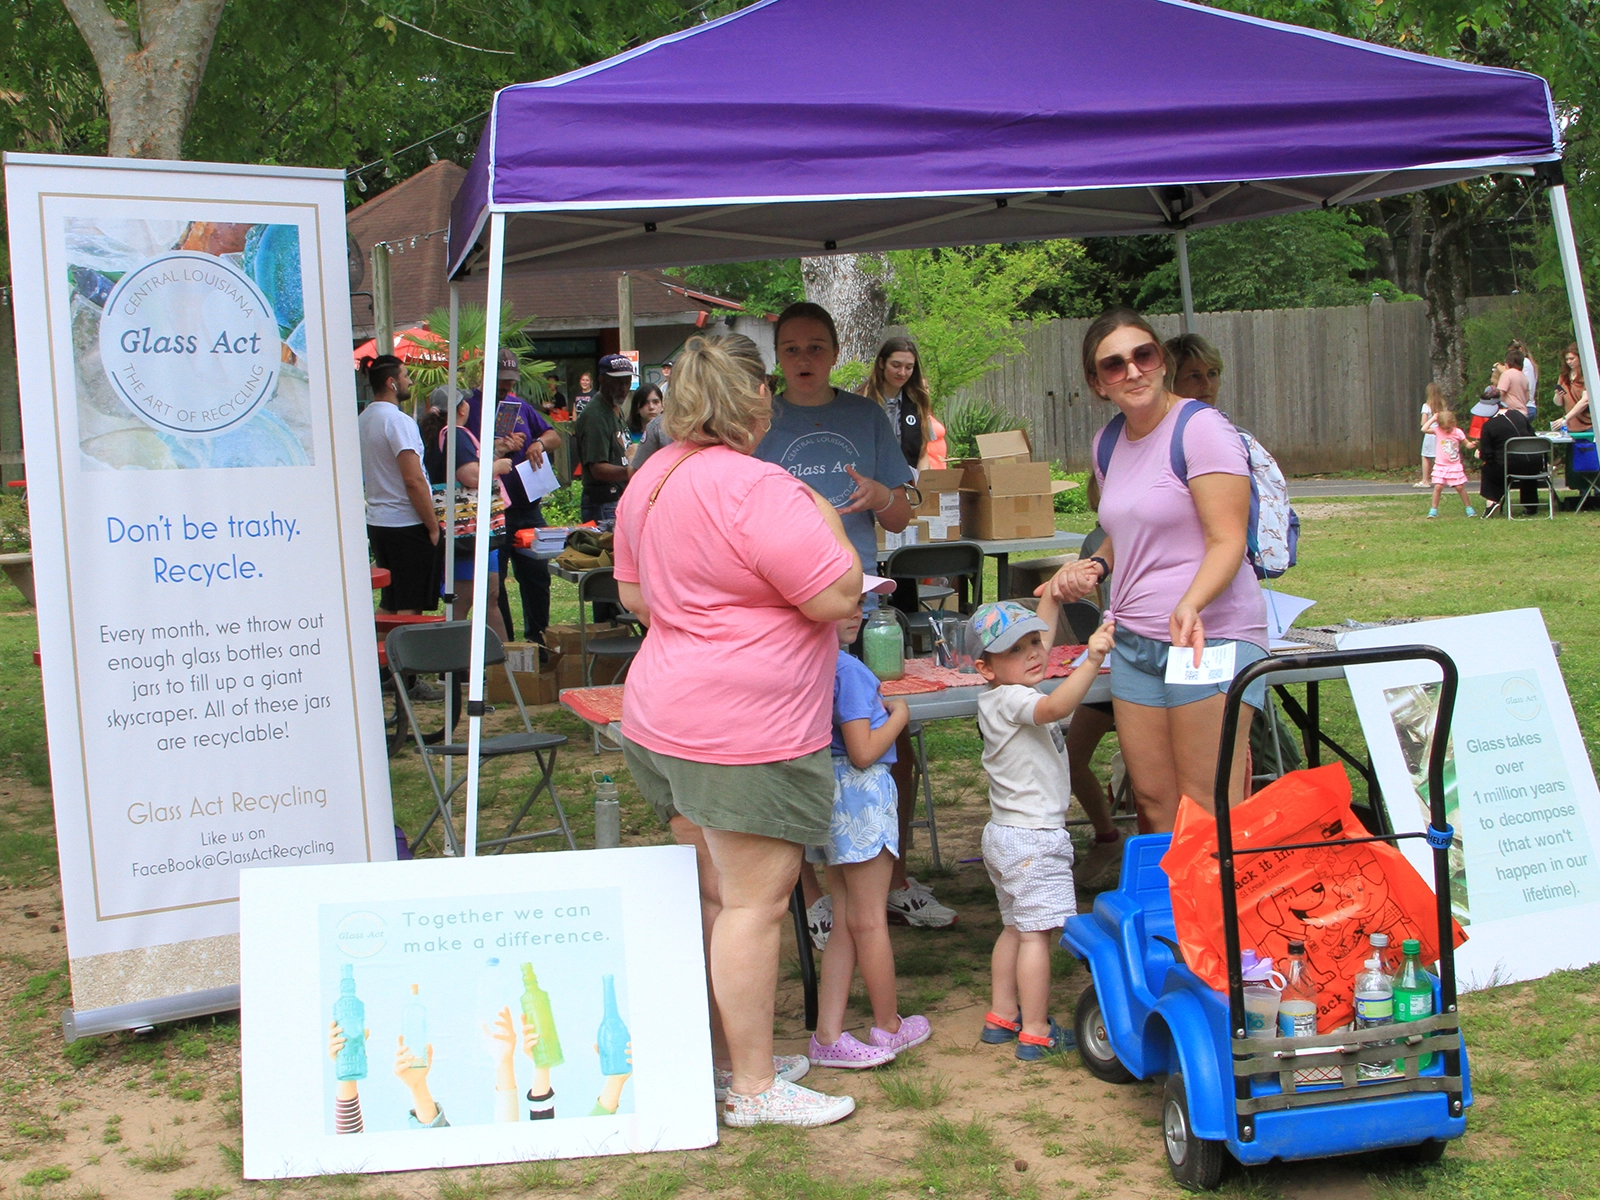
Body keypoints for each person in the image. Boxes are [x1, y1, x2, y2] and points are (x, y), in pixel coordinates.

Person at [614, 333, 863, 1128]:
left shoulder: (651, 477)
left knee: (719, 896)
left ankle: (730, 1061)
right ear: (756, 402)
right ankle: (755, 1089)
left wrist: (706, 615)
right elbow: (836, 596)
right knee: (755, 905)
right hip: (744, 731)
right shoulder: (763, 489)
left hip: (662, 716)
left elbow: (635, 598)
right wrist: (823, 512)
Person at [757, 303, 957, 931]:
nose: (804, 360)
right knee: (797, 747)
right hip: (780, 611)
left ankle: (891, 879)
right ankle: (814, 895)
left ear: (836, 351)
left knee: (888, 741)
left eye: (817, 347)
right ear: (778, 356)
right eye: (792, 349)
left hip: (858, 606)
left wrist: (879, 497)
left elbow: (899, 515)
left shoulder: (866, 414)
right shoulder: (757, 419)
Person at [1041, 307, 1268, 833]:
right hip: (1134, 643)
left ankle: (1217, 915)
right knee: (1153, 801)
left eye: (1143, 355)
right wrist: (1096, 564)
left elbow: (1227, 537)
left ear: (1161, 361)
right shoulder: (1107, 442)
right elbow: (1129, 531)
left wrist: (1190, 602)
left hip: (1206, 639)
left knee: (1207, 802)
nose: (1133, 371)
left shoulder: (1201, 428)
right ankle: (1172, 913)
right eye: (1114, 365)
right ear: (1098, 384)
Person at [970, 597, 1115, 1059]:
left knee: (1014, 929)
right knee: (1037, 935)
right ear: (986, 667)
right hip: (1034, 838)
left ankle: (1001, 1013)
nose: (1035, 652)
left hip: (1005, 834)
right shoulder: (1017, 699)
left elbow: (1040, 649)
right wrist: (1092, 660)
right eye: (1018, 649)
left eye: (1037, 642)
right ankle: (1035, 1029)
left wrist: (1048, 602)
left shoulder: (997, 696)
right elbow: (1055, 708)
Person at [808, 577, 932, 1070]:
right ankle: (889, 1026)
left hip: (825, 795)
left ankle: (827, 1033)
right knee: (870, 919)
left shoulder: (809, 665)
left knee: (845, 918)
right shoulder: (851, 672)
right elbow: (863, 752)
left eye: (860, 601)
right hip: (860, 797)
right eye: (847, 603)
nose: (857, 611)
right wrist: (898, 714)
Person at [468, 352, 563, 647]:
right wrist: (497, 448)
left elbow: (553, 435)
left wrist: (537, 443)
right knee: (497, 584)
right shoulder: (469, 407)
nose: (506, 387)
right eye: (501, 382)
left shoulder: (518, 405)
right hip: (496, 508)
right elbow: (462, 452)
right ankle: (507, 647)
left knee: (536, 574)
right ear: (485, 373)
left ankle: (538, 640)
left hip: (528, 504)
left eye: (510, 382)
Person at [420, 388, 512, 641]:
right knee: (466, 598)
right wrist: (497, 467)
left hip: (474, 531)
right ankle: (456, 665)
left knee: (488, 595)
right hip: (469, 529)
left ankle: (499, 662)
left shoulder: (446, 435)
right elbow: (470, 475)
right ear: (461, 409)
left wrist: (496, 452)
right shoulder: (456, 434)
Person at [359, 355, 440, 615]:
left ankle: (377, 654)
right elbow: (413, 479)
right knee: (409, 604)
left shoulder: (363, 420)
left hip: (378, 520)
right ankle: (401, 656)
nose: (410, 381)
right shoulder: (397, 421)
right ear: (391, 382)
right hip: (406, 522)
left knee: (390, 601)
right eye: (406, 376)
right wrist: (432, 525)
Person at [572, 353, 633, 524]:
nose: (623, 388)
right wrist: (632, 472)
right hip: (604, 502)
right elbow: (598, 469)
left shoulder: (616, 407)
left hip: (619, 496)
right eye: (617, 382)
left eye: (627, 381)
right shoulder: (596, 416)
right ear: (602, 380)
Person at [863, 336, 934, 471]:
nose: (902, 373)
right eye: (896, 365)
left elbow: (922, 454)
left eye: (909, 367)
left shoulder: (918, 402)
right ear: (881, 363)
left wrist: (921, 487)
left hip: (910, 484)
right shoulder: (861, 402)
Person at [1476, 384, 1539, 519]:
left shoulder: (1488, 426)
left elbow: (1488, 455)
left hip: (1509, 466)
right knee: (1524, 463)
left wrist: (1479, 454)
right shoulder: (1518, 415)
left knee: (1488, 468)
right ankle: (1531, 505)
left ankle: (1491, 501)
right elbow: (1533, 436)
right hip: (1534, 464)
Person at [1427, 408, 1477, 518]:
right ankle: (1433, 509)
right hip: (1441, 465)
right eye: (1444, 428)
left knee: (1459, 487)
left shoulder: (1458, 432)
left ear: (1453, 424)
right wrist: (1433, 419)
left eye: (1448, 428)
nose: (1446, 431)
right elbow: (1424, 429)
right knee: (1438, 487)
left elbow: (1466, 443)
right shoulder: (1437, 430)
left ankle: (1469, 507)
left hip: (1454, 465)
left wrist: (1471, 445)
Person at [1555, 343, 1590, 433]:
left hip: (1589, 424)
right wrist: (1558, 396)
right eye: (1567, 359)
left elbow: (1585, 400)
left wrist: (1565, 418)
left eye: (1572, 359)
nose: (1569, 362)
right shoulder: (1564, 376)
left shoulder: (1587, 375)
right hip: (1570, 426)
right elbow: (1558, 403)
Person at [1416, 384, 1442, 488]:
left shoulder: (1426, 406)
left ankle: (1425, 480)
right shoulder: (1443, 406)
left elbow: (1423, 423)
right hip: (1441, 433)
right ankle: (1441, 479)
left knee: (1426, 456)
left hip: (1430, 433)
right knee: (1440, 457)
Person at [626, 382, 664, 446]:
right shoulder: (628, 434)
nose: (651, 407)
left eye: (655, 402)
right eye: (645, 403)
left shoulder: (669, 435)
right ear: (637, 408)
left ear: (662, 406)